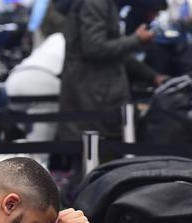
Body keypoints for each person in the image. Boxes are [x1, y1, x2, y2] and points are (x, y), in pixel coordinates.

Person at [58, 0, 166, 144]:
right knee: (93, 155)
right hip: (93, 95)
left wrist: (152, 76)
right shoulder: (96, 4)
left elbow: (116, 54)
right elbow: (94, 47)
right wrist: (136, 39)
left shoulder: (105, 5)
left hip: (96, 94)